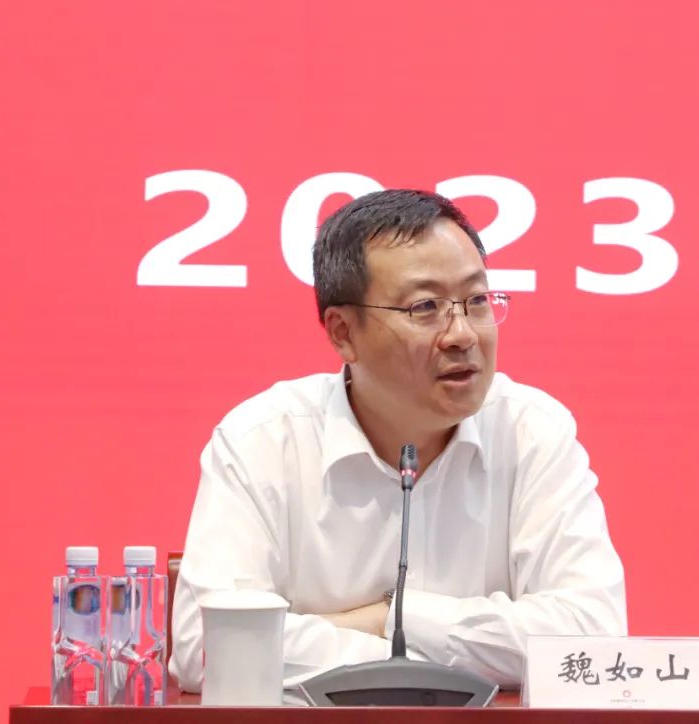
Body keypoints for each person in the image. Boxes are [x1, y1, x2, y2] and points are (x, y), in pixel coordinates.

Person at [169, 189, 626, 692]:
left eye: (477, 301)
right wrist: (432, 654)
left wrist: (393, 615)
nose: (463, 335)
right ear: (343, 333)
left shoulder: (532, 431)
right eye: (425, 307)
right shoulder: (262, 440)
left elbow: (593, 642)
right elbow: (207, 649)